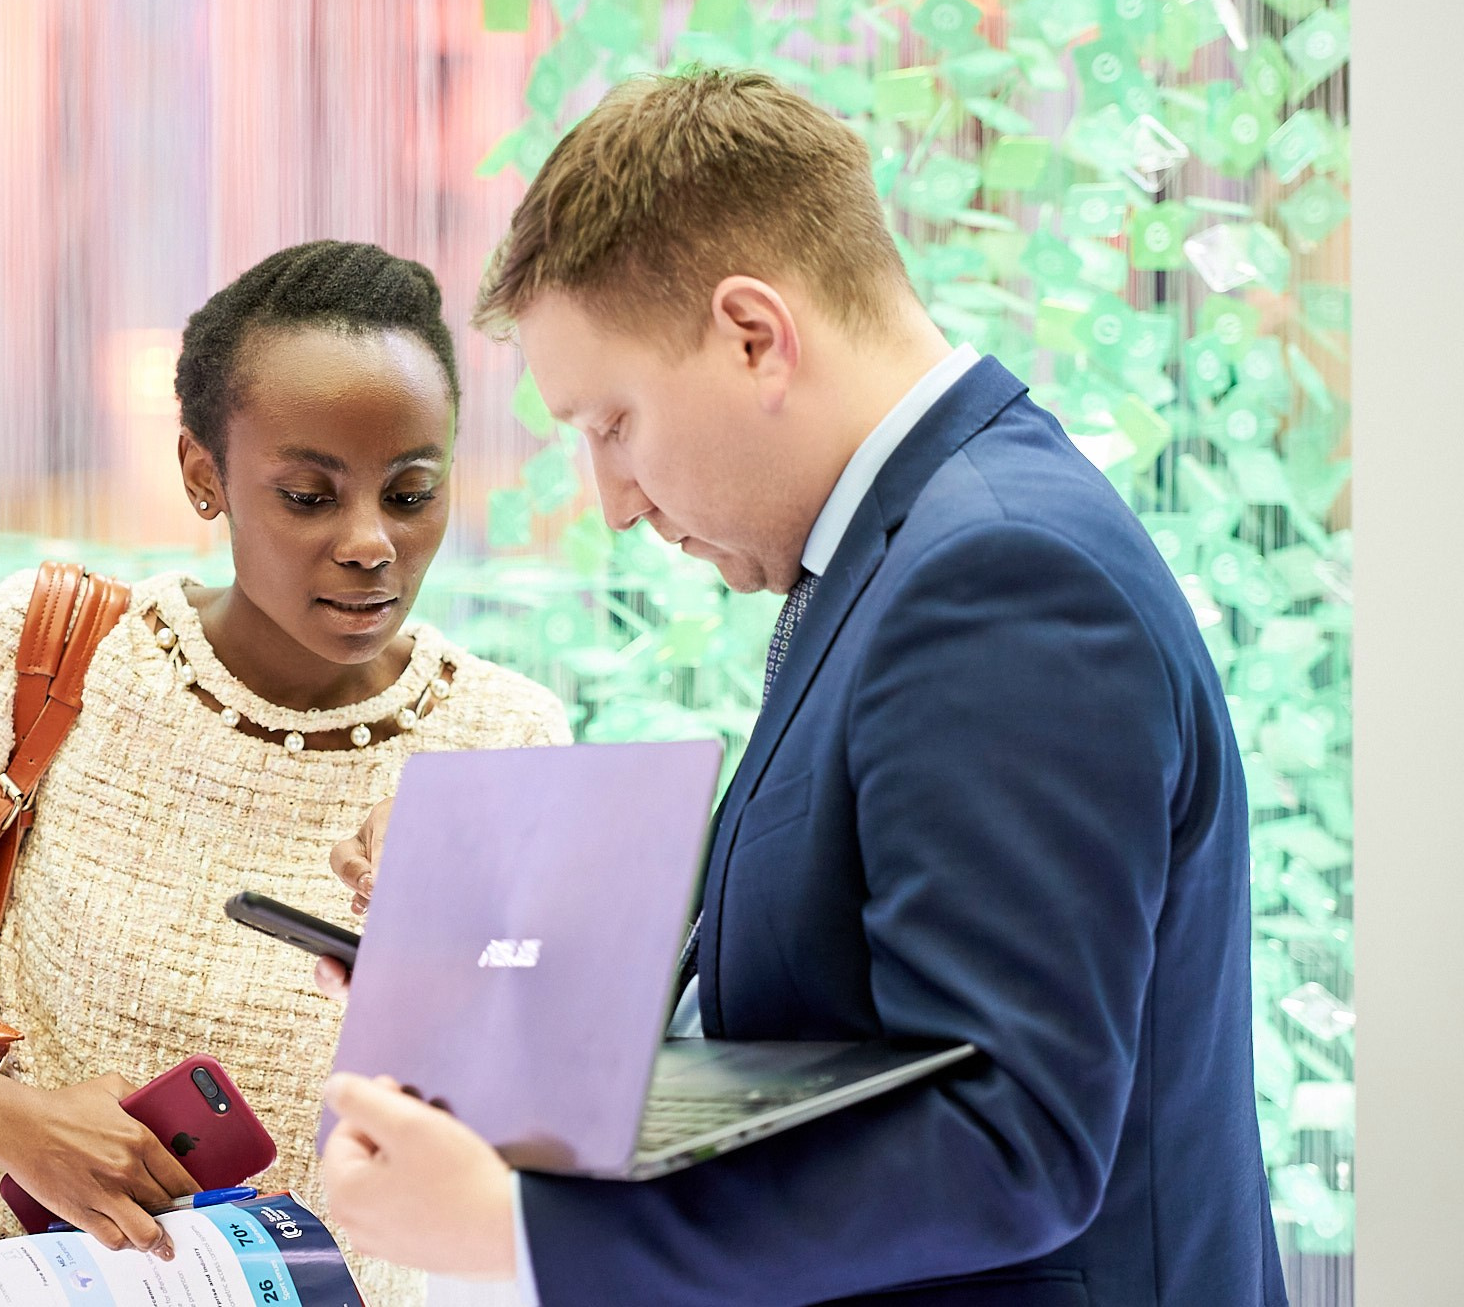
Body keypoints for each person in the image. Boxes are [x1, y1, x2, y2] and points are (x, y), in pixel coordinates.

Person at [315, 71, 1287, 1307]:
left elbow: (1008, 1140)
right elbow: (829, 999)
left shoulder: (996, 580)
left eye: (611, 422)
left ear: (752, 336)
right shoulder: (906, 554)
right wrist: (487, 974)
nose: (611, 501)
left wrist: (520, 1230)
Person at [0, 240, 570, 1307]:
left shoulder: (506, 735)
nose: (371, 543)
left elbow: (543, 1104)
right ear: (201, 473)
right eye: (307, 496)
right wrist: (4, 1117)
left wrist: (448, 916)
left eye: (410, 493)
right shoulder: (52, 652)